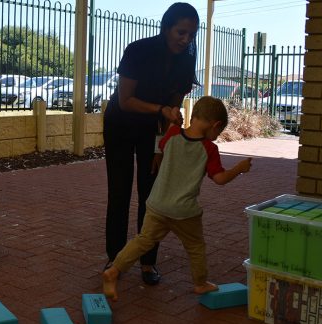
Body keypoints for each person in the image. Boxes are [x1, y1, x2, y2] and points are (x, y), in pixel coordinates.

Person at [102, 96, 252, 301]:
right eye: (219, 131)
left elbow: (162, 145)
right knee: (196, 247)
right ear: (215, 125)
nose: (216, 136)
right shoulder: (209, 149)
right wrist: (239, 169)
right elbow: (220, 179)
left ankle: (114, 270)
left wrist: (173, 123)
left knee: (143, 241)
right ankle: (200, 283)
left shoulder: (172, 134)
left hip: (157, 204)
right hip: (184, 211)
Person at [103, 2, 200, 285]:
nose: (185, 40)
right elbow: (125, 100)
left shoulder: (186, 59)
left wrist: (162, 147)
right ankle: (115, 258)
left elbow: (173, 106)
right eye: (181, 32)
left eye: (191, 35)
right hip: (120, 124)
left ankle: (147, 261)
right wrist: (161, 110)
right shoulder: (138, 50)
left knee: (151, 197)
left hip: (152, 130)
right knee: (119, 192)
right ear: (166, 28)